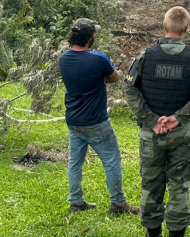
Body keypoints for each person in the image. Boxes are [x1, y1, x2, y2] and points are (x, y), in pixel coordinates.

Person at [125, 6, 190, 237]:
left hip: (151, 134)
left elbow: (130, 89)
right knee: (179, 185)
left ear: (164, 27)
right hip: (184, 133)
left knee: (151, 183)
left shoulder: (145, 55)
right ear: (187, 29)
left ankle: (152, 234)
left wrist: (152, 120)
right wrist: (178, 118)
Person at [59, 18, 139, 216]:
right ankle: (118, 204)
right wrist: (99, 78)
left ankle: (76, 202)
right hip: (96, 122)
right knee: (112, 160)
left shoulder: (64, 59)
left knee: (75, 162)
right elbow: (115, 78)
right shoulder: (99, 59)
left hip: (73, 120)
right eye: (94, 34)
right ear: (89, 37)